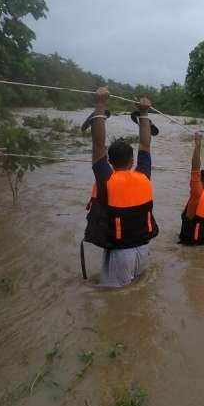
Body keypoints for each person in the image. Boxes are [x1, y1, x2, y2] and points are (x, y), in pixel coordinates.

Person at [83, 86, 159, 287]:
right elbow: (145, 145)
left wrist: (99, 104)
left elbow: (98, 145)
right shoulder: (144, 176)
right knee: (137, 291)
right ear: (132, 161)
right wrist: (144, 113)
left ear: (110, 160)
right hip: (143, 250)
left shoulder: (106, 179)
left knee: (114, 299)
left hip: (120, 254)